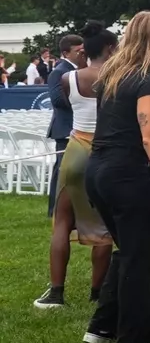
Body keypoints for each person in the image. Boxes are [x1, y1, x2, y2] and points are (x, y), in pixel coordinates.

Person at [83, 12, 150, 343]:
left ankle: (102, 327)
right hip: (125, 173)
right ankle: (135, 338)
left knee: (129, 250)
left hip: (96, 169)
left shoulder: (111, 73)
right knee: (141, 256)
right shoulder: (148, 79)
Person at [36, 25, 114, 309]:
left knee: (62, 222)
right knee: (104, 227)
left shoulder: (68, 78)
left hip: (75, 151)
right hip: (104, 152)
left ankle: (56, 292)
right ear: (109, 49)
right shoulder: (118, 77)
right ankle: (97, 291)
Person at [45, 34, 84, 216]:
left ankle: (63, 208)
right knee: (62, 172)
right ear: (66, 53)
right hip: (66, 128)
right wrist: (81, 102)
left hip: (75, 127)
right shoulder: (59, 71)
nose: (81, 54)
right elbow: (58, 100)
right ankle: (57, 209)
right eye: (78, 51)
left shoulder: (82, 70)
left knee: (65, 172)